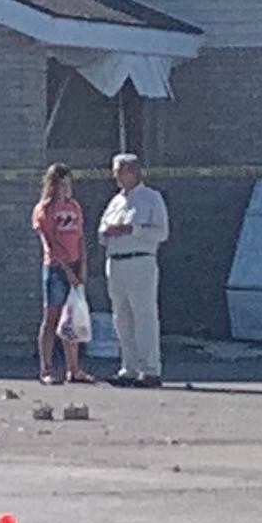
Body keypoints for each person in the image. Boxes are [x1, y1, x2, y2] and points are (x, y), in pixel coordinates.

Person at [95, 151, 168, 386]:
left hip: (140, 261)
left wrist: (132, 230)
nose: (115, 177)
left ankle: (151, 369)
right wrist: (107, 233)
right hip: (115, 261)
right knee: (122, 316)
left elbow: (162, 232)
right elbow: (101, 231)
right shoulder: (115, 200)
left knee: (143, 315)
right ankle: (129, 368)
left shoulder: (151, 198)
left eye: (119, 172)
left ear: (133, 172)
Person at [30, 162, 92, 383]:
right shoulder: (44, 210)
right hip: (56, 268)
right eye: (60, 184)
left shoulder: (74, 207)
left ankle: (73, 369)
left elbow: (80, 237)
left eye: (67, 184)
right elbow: (51, 242)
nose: (64, 189)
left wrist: (82, 267)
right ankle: (46, 369)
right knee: (52, 317)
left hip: (75, 266)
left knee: (72, 318)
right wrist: (67, 270)